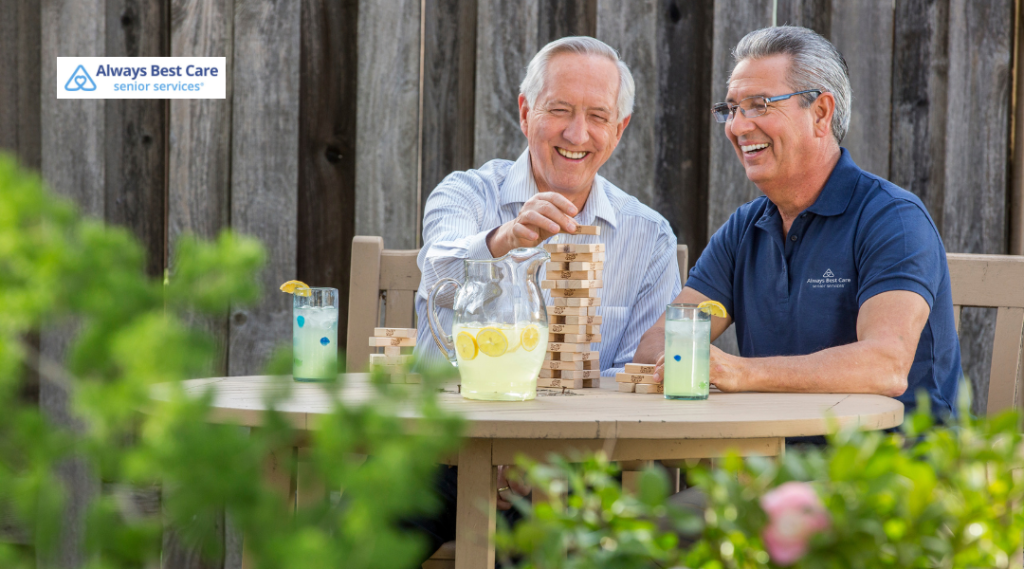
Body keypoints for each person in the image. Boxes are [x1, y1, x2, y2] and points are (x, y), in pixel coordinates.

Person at [409, 36, 682, 560]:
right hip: (441, 454)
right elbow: (438, 276)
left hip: (567, 470)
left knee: (566, 547)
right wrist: (505, 239)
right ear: (525, 111)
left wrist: (545, 453)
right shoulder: (465, 194)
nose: (577, 134)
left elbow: (638, 380)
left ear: (619, 130)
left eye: (598, 116)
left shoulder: (649, 237)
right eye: (559, 110)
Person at [634, 25, 961, 421]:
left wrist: (739, 371)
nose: (737, 126)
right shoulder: (744, 230)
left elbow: (885, 366)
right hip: (773, 462)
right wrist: (696, 362)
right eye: (732, 108)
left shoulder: (893, 219)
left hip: (889, 469)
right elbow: (657, 346)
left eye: (760, 105)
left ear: (821, 113)